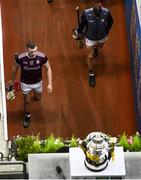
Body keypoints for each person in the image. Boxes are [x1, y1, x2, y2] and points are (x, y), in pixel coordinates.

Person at [9, 41, 52, 128]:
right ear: (27, 50)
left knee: (38, 98)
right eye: (31, 51)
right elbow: (14, 68)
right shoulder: (20, 58)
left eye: (35, 50)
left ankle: (34, 96)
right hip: (25, 83)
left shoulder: (42, 57)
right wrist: (12, 81)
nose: (34, 53)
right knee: (27, 100)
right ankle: (27, 115)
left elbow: (48, 68)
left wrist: (50, 84)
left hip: (38, 83)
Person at [73, 3, 113, 87]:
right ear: (93, 12)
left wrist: (106, 31)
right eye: (97, 16)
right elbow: (82, 25)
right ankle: (91, 73)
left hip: (101, 36)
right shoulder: (86, 14)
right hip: (90, 37)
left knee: (100, 46)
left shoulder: (106, 12)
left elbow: (110, 22)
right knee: (90, 54)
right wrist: (78, 32)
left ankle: (95, 48)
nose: (98, 17)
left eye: (100, 15)